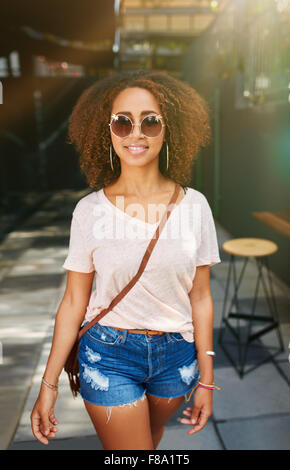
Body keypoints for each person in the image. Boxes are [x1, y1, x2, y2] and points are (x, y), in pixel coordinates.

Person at [30, 70, 221, 450]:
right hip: (109, 354)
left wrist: (207, 379)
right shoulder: (88, 212)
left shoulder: (195, 205)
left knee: (149, 438)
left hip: (177, 357)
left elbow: (200, 297)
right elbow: (73, 302)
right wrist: (48, 383)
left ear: (169, 131)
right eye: (123, 122)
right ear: (108, 131)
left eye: (150, 122)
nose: (136, 133)